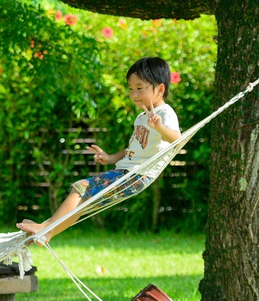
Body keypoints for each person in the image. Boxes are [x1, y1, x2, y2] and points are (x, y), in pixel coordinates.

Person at [19, 56, 181, 241]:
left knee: (82, 188)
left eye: (139, 88)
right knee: (83, 201)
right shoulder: (141, 117)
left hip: (137, 174)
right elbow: (132, 148)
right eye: (130, 89)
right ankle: (48, 232)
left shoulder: (163, 113)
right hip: (126, 170)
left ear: (160, 89)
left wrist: (159, 126)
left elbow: (177, 139)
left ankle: (46, 229)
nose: (133, 94)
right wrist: (111, 158)